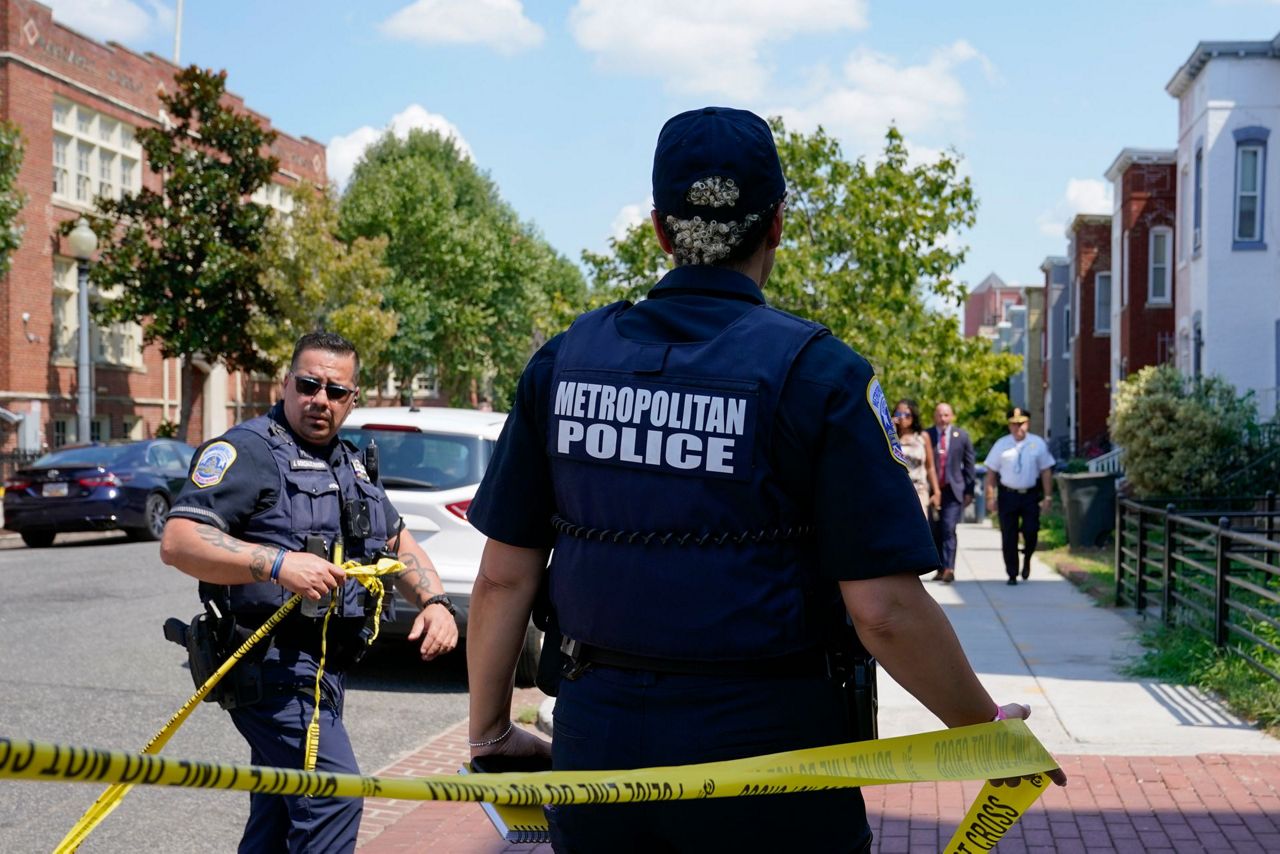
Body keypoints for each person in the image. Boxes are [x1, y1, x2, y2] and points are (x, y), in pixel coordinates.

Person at [463, 106, 1063, 853]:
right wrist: (983, 732)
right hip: (775, 760)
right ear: (776, 224)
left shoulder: (562, 363)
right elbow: (882, 609)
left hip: (600, 753)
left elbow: (501, 580)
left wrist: (489, 732)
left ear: (660, 230)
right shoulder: (819, 374)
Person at [160, 331, 459, 852]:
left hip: (325, 672)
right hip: (270, 668)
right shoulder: (247, 450)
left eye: (335, 391)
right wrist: (276, 564)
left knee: (276, 817)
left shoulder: (352, 464)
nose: (320, 399)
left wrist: (434, 602)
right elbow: (179, 541)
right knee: (333, 798)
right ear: (287, 383)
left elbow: (395, 537)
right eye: (309, 384)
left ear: (353, 399)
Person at [984, 406, 1056, 585]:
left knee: (1031, 531)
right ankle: (1012, 573)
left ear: (1028, 423)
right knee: (1009, 535)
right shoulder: (1001, 444)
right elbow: (991, 473)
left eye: (1021, 423)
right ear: (1009, 426)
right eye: (1014, 424)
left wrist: (1048, 497)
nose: (1018, 428)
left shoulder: (1038, 443)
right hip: (1008, 495)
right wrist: (990, 497)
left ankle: (1027, 559)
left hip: (1030, 495)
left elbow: (1046, 471)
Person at [927, 402, 976, 583]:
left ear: (952, 416)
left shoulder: (961, 436)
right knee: (935, 530)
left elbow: (970, 464)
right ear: (935, 416)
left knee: (949, 528)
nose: (943, 418)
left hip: (954, 490)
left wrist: (969, 491)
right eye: (940, 414)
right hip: (933, 491)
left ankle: (949, 568)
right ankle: (939, 568)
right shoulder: (927, 435)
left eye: (946, 415)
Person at [893, 398, 940, 519]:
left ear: (913, 416)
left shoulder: (922, 437)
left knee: (919, 525)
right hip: (897, 489)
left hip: (919, 488)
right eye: (898, 414)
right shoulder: (891, 437)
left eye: (907, 414)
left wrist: (936, 491)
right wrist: (889, 430)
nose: (902, 417)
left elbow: (930, 467)